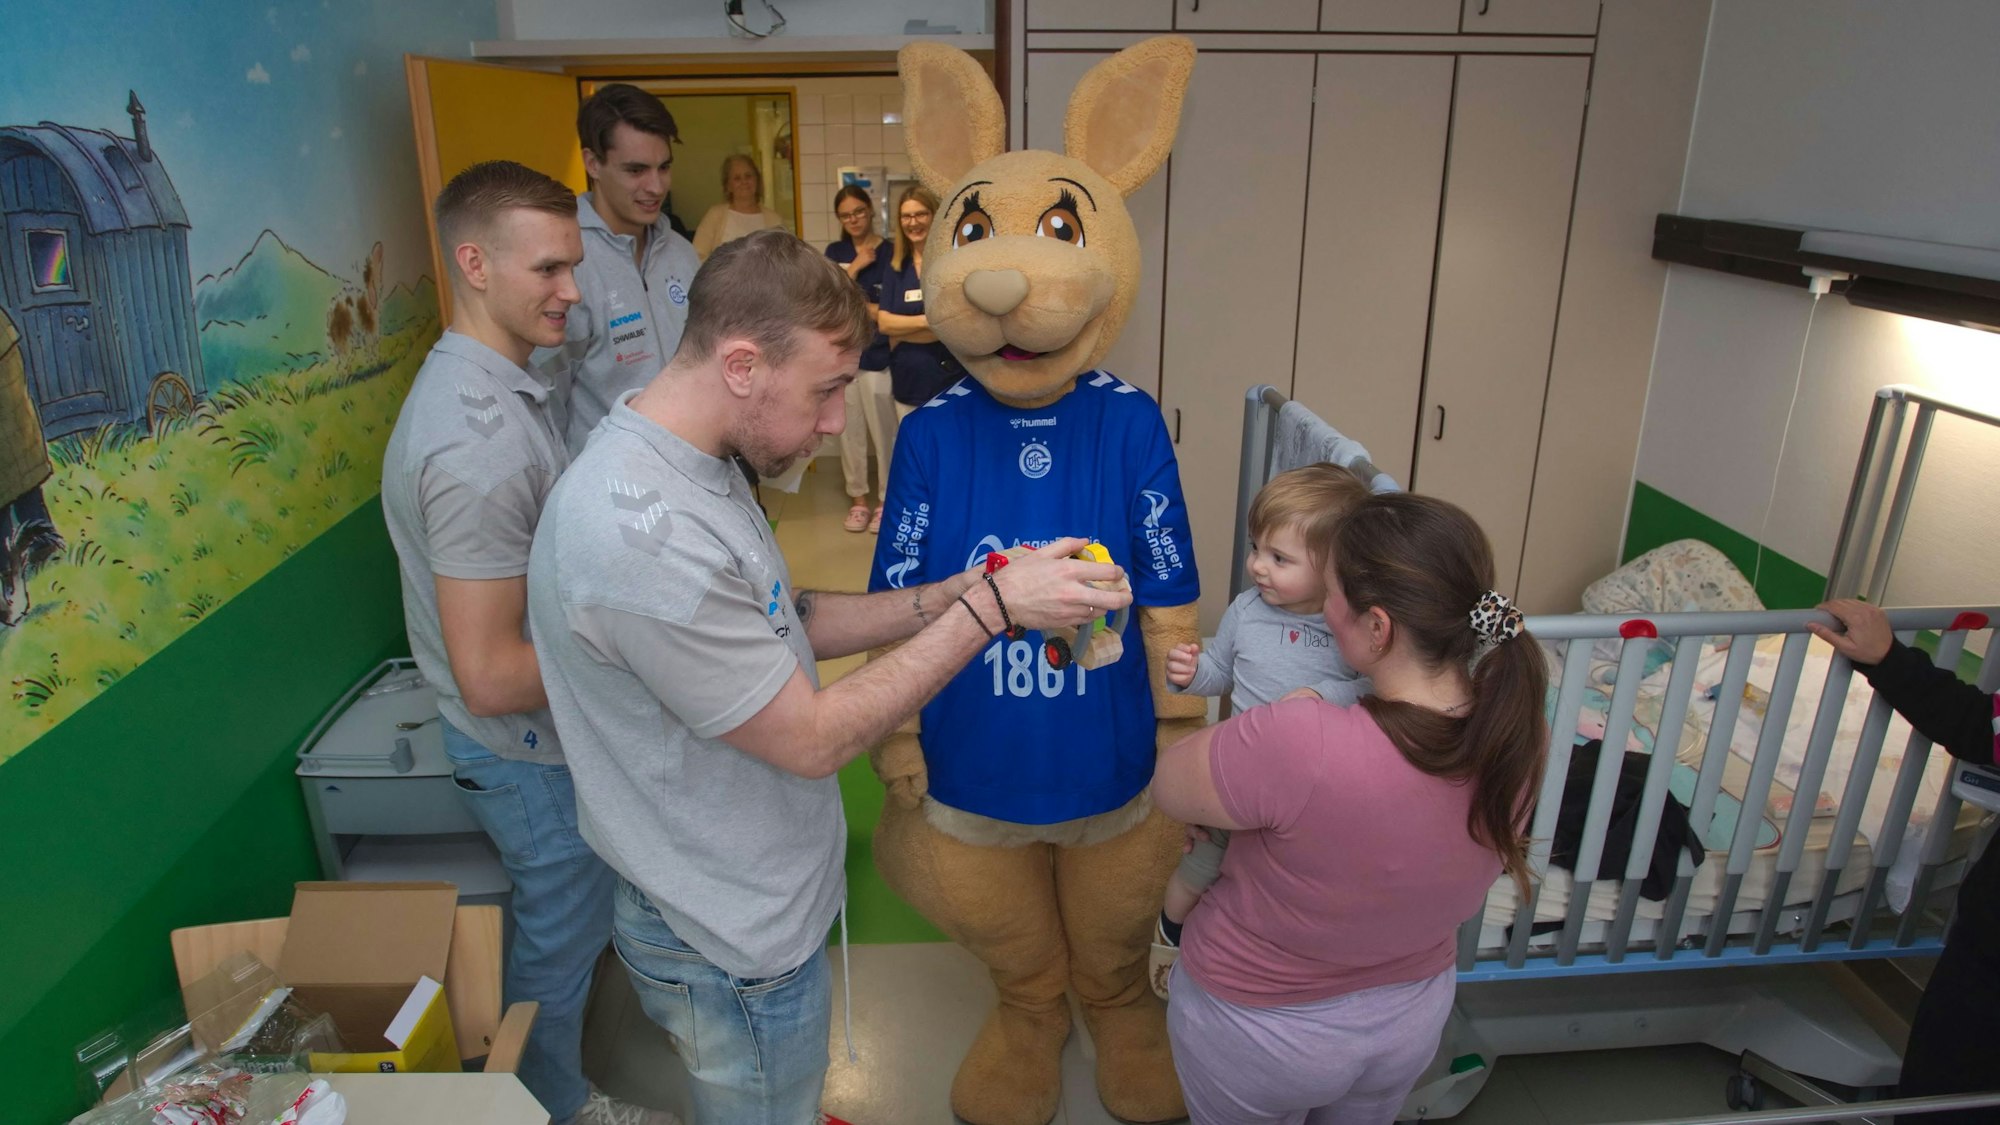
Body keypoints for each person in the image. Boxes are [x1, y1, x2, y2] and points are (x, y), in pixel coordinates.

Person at [525, 229, 1130, 1123]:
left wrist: (962, 588)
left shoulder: (695, 464)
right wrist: (995, 612)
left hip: (740, 896)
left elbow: (785, 613)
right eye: (827, 389)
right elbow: (811, 738)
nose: (837, 420)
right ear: (741, 363)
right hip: (726, 940)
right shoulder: (638, 537)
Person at [381, 161, 668, 1125]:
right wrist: (644, 651)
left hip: (547, 736)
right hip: (523, 751)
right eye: (548, 270)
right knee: (558, 932)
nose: (573, 292)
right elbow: (494, 674)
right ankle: (548, 1105)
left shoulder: (510, 389)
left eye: (574, 267)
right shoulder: (473, 444)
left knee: (579, 923)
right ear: (474, 263)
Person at [1152, 492, 1548, 1124]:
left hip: (1264, 1028)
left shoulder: (1301, 736)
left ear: (1377, 627)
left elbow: (1169, 785)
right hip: (1410, 1018)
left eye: (1331, 594)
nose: (1323, 613)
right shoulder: (1516, 736)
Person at [1152, 463, 1374, 997]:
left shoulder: (1347, 623)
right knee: (1197, 870)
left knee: (1288, 885)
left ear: (1334, 568)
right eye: (1256, 549)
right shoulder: (1247, 610)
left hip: (1314, 794)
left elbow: (1375, 688)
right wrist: (1190, 673)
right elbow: (1220, 673)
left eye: (1279, 558)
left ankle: (1278, 962)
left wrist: (1324, 696)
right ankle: (1168, 941)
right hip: (1241, 777)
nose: (1257, 566)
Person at [1809, 599, 2000, 1125]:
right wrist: (1887, 658)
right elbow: (1978, 726)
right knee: (1946, 1083)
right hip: (1988, 942)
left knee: (1949, 1081)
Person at [535, 83, 701, 457]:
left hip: (686, 473)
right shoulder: (563, 259)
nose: (655, 186)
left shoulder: (681, 254)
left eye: (664, 167)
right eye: (636, 170)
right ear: (593, 163)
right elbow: (543, 399)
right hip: (606, 485)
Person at [823, 185, 895, 533]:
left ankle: (884, 501)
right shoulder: (835, 252)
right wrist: (854, 268)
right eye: (845, 215)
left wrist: (865, 307)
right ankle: (858, 501)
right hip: (842, 357)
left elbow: (892, 310)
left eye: (858, 212)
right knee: (847, 431)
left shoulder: (893, 251)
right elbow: (828, 301)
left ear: (871, 211)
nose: (853, 219)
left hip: (879, 357)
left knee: (884, 434)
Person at [873, 185, 961, 416]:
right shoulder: (896, 267)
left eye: (921, 214)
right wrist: (928, 322)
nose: (913, 222)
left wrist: (902, 331)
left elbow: (955, 325)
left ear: (934, 215)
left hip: (948, 378)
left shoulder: (951, 264)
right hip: (908, 379)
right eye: (906, 216)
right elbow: (884, 324)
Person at [692, 154, 787, 260]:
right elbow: (697, 255)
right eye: (737, 178)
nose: (744, 182)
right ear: (728, 186)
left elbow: (783, 260)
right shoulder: (715, 215)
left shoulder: (775, 220)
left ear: (757, 180)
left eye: (748, 176)